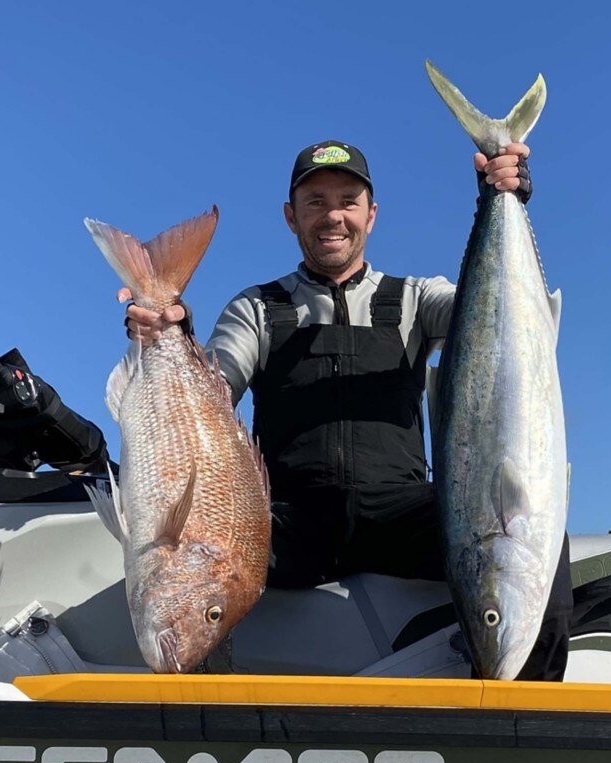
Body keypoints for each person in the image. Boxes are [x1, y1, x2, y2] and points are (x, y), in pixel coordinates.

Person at [122, 139, 571, 680]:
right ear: (291, 217)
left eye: (347, 201)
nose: (332, 216)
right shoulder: (258, 308)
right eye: (315, 202)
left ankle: (526, 703)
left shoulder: (415, 298)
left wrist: (500, 200)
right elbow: (214, 393)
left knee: (525, 538)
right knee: (204, 566)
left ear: (371, 214)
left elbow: (500, 315)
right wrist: (172, 330)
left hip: (400, 514)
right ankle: (201, 713)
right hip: (289, 519)